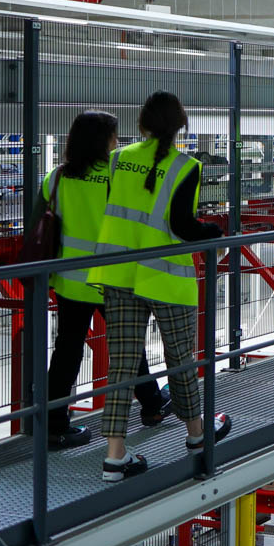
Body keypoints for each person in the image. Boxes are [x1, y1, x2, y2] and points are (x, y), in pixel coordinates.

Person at [87, 91, 230, 482]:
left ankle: (115, 456)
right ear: (180, 125)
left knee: (122, 364)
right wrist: (212, 232)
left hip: (117, 274)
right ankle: (197, 436)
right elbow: (183, 225)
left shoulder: (118, 159)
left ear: (142, 124)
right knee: (181, 358)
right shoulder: (186, 165)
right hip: (165, 277)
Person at [42, 111, 170, 449]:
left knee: (67, 351)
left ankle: (54, 425)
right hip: (113, 279)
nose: (117, 142)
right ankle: (153, 407)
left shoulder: (56, 178)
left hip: (70, 281)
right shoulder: (117, 177)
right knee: (127, 345)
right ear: (104, 141)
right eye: (114, 136)